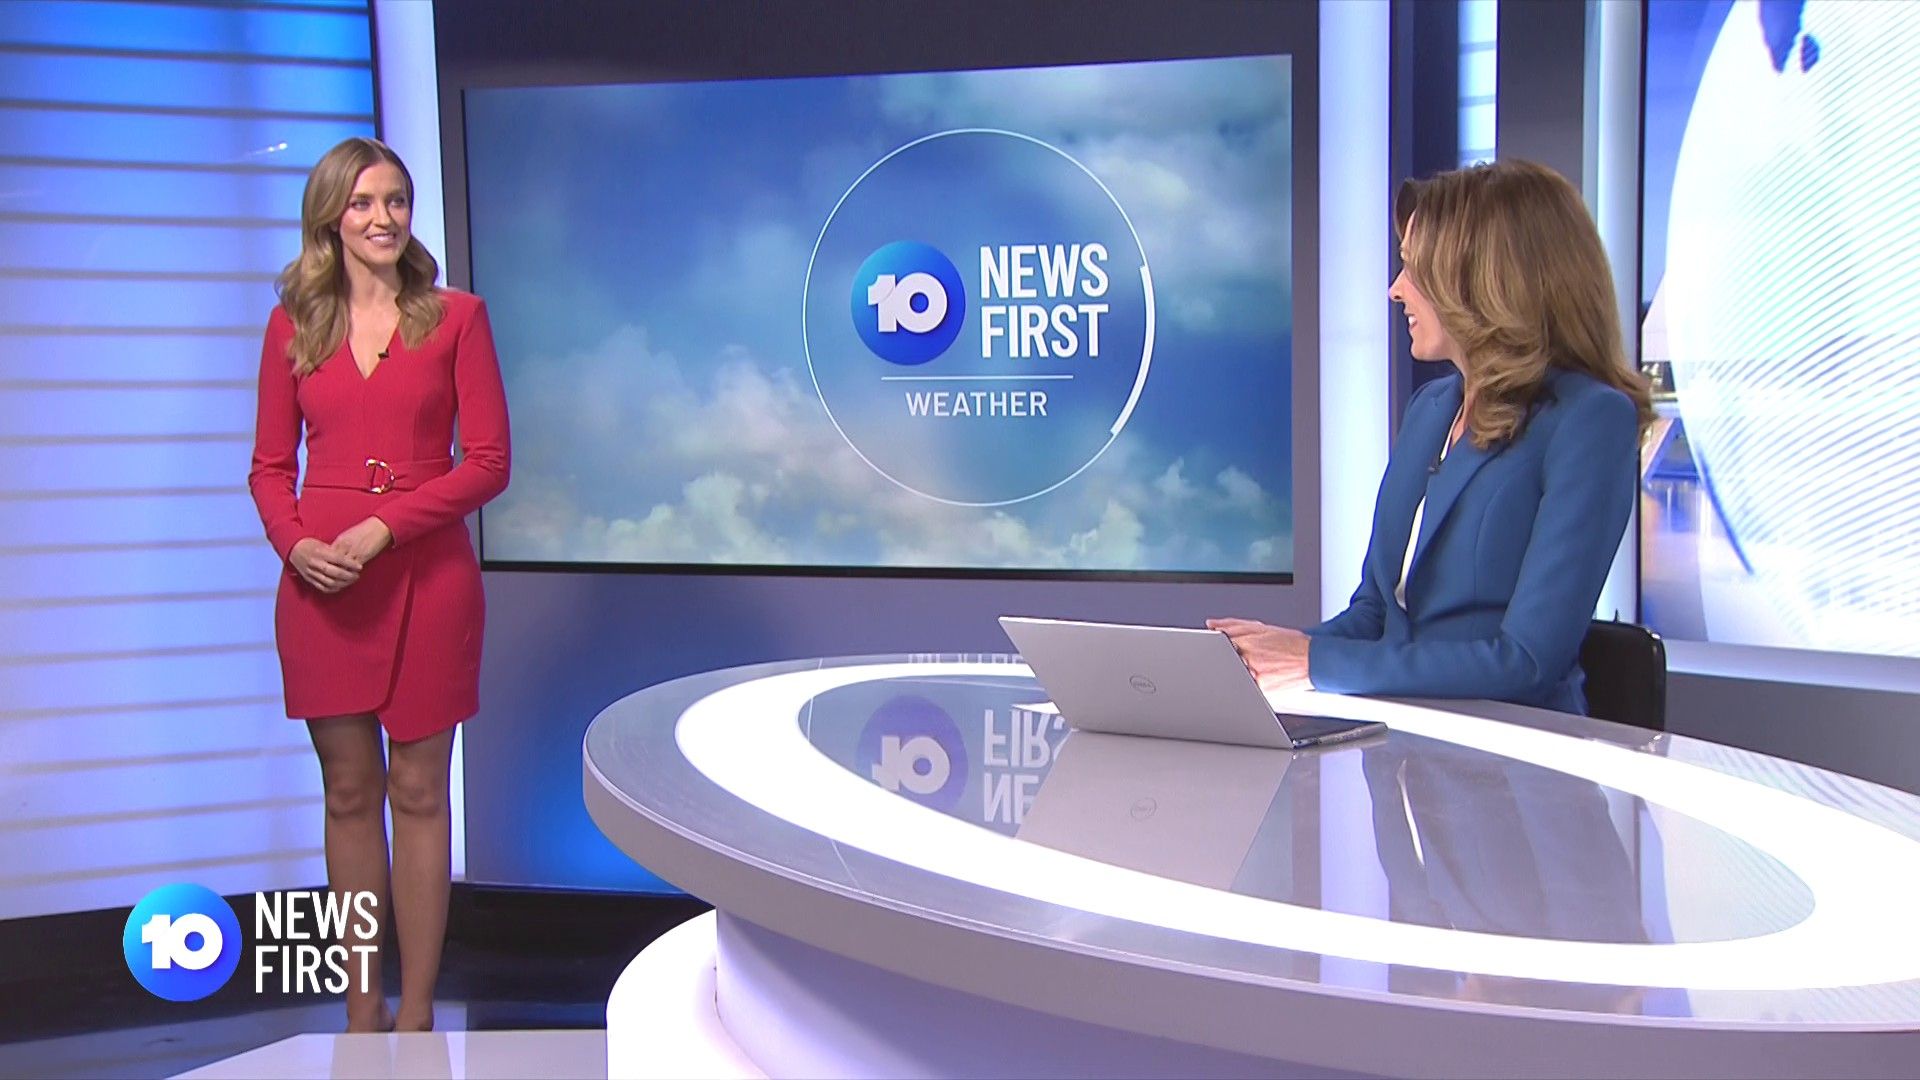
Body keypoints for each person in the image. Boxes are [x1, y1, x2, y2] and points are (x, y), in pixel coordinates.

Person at [1211, 159, 1652, 715]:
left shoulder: (1588, 420)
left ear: (1485, 280)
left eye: (1415, 269)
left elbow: (1526, 662)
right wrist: (1267, 654)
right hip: (1403, 733)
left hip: (1518, 747)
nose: (1395, 290)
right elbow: (1375, 613)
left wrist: (1313, 663)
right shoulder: (1430, 409)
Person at [248, 136, 510, 1031]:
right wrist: (294, 545)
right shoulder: (293, 326)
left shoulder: (457, 318)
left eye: (396, 200)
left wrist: (385, 525)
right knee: (349, 793)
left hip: (430, 579)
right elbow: (268, 468)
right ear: (330, 217)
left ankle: (417, 1013)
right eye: (362, 203)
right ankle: (363, 1012)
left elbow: (488, 463)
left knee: (421, 792)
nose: (383, 217)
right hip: (323, 585)